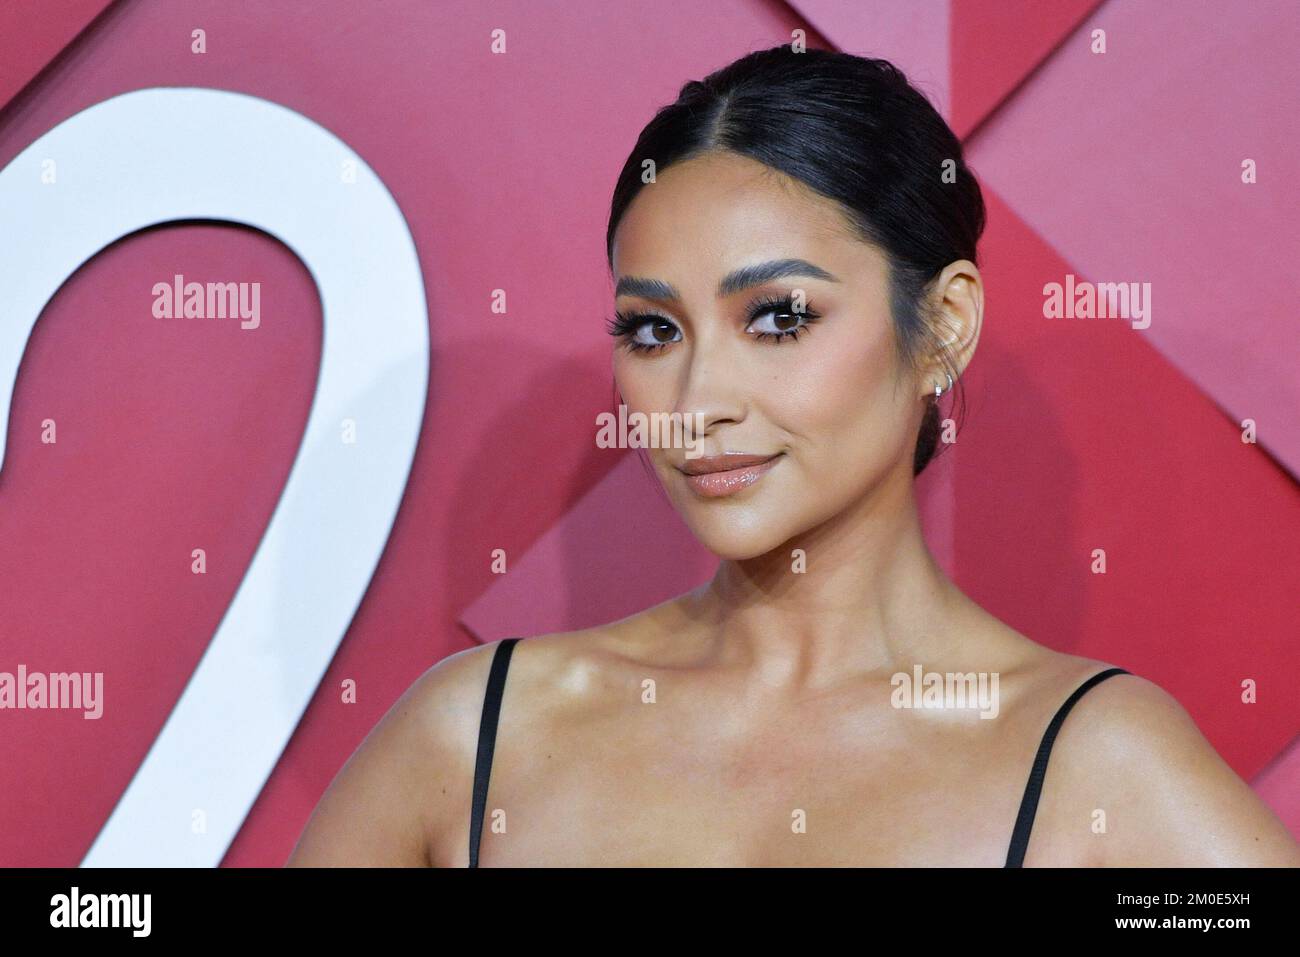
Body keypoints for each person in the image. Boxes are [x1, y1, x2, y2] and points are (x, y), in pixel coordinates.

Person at [286, 45, 1300, 867]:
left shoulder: (1091, 763)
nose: (697, 403)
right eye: (652, 332)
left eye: (778, 317)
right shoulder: (476, 735)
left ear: (943, 323)